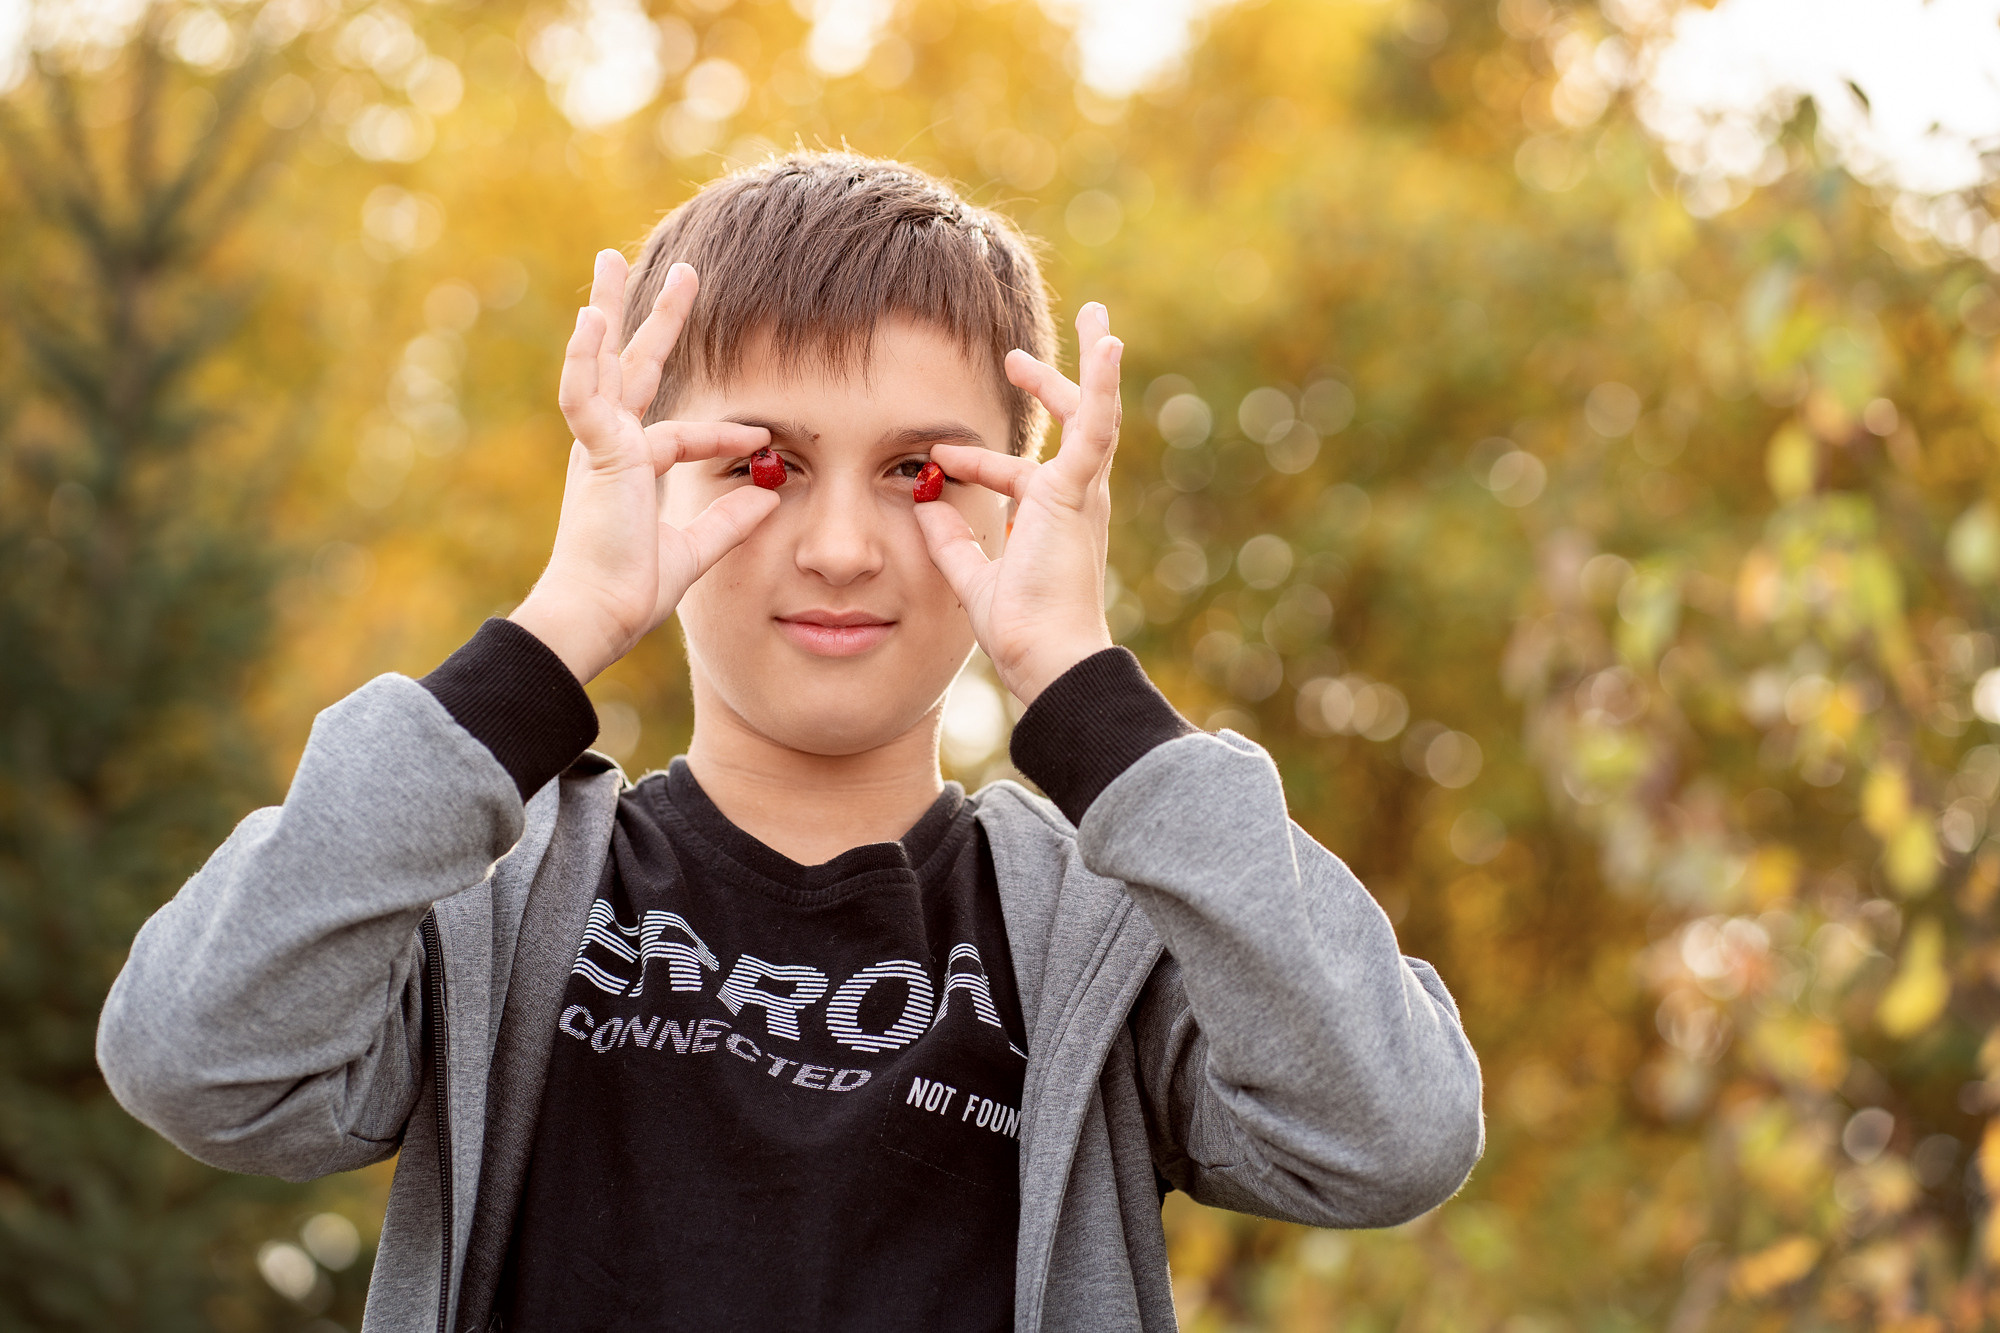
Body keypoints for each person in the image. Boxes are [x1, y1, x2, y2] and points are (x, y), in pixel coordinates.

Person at [97, 152, 1483, 1333]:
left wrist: (1088, 692)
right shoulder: (493, 901)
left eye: (921, 472)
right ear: (653, 472)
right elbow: (195, 1053)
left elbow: (1391, 1133)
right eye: (763, 461)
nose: (837, 546)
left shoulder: (1102, 938)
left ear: (1020, 504)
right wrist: (554, 630)